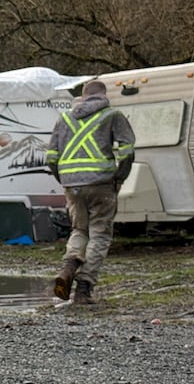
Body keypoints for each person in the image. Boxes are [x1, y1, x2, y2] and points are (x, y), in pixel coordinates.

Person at [46, 79, 135, 304]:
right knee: (100, 234)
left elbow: (51, 157)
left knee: (79, 230)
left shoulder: (64, 119)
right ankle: (83, 289)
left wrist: (64, 179)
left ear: (83, 97)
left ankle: (68, 268)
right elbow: (127, 151)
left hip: (72, 185)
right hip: (102, 184)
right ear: (104, 95)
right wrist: (119, 178)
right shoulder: (112, 116)